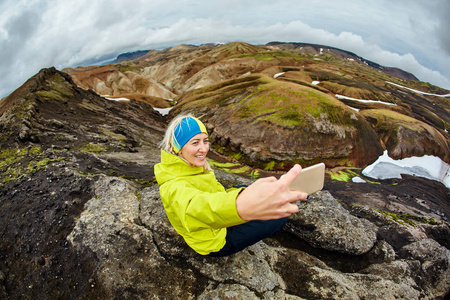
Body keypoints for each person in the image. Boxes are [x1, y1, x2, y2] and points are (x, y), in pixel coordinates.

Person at [154, 114, 308, 257]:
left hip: (216, 222)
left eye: (205, 141)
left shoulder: (187, 165)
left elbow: (210, 196)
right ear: (177, 148)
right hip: (214, 241)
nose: (204, 148)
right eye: (195, 142)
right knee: (277, 219)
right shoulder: (174, 186)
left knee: (243, 187)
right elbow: (197, 208)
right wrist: (241, 206)